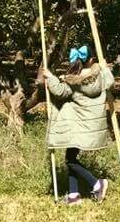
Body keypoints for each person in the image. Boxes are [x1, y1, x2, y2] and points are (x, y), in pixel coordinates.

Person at [43, 44, 114, 205]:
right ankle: (73, 195)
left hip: (78, 125)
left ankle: (97, 184)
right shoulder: (101, 76)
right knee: (71, 157)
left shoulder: (74, 81)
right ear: (91, 60)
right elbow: (110, 81)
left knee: (70, 160)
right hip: (92, 124)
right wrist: (104, 68)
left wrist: (50, 77)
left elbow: (60, 91)